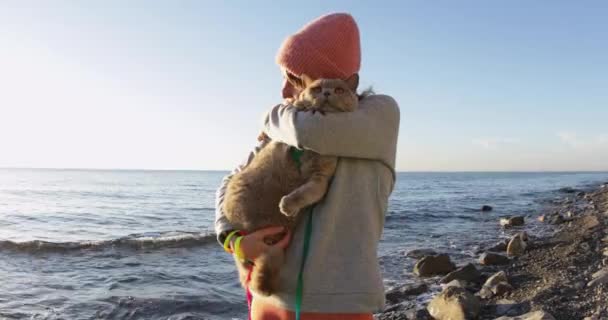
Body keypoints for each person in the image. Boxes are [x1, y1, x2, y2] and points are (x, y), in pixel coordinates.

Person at [215, 12, 400, 320]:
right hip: (269, 296)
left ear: (322, 76)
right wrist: (233, 240)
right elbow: (231, 181)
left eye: (292, 78)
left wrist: (269, 116)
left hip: (339, 306)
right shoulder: (282, 129)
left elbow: (310, 133)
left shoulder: (380, 115)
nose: (283, 91)